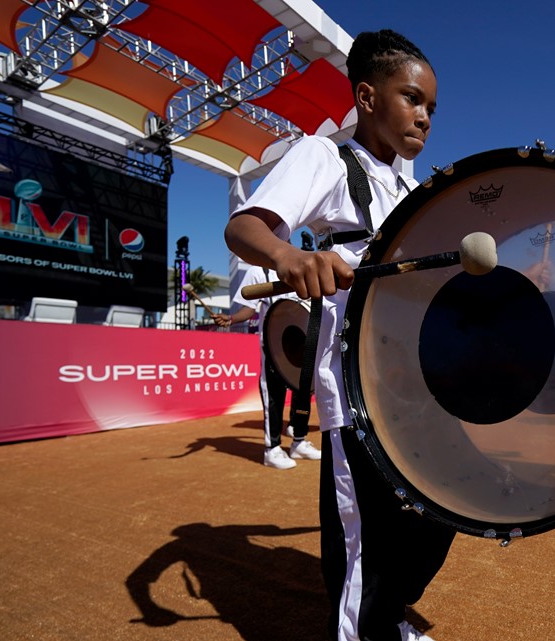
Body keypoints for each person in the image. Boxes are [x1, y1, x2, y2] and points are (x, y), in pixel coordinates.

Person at [224, 30, 450, 641]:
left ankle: (389, 615)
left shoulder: (411, 191)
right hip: (357, 388)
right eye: (412, 98)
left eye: (431, 105)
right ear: (367, 97)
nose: (425, 116)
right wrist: (288, 256)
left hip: (420, 385)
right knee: (367, 542)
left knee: (438, 519)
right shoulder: (322, 158)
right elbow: (245, 226)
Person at [214, 265, 322, 469]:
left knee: (303, 391)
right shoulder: (258, 272)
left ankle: (298, 441)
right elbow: (249, 307)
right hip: (274, 343)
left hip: (300, 340)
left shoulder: (297, 266)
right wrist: (232, 318)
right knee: (273, 394)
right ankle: (271, 449)